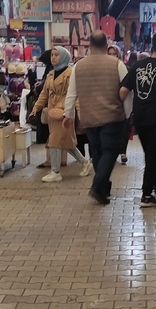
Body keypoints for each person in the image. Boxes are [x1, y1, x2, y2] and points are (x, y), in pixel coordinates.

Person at [63, 30, 128, 205]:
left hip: (89, 117)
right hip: (112, 116)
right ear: (106, 45)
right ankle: (98, 186)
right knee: (110, 151)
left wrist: (68, 115)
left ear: (90, 45)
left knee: (97, 152)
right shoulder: (117, 64)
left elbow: (71, 93)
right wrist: (128, 112)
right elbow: (127, 91)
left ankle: (103, 189)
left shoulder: (78, 66)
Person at [121, 31, 156, 208]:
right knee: (151, 157)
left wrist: (125, 111)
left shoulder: (137, 66)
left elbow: (123, 91)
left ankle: (154, 183)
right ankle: (146, 195)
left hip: (139, 118)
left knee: (149, 153)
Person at [32, 46, 92, 183]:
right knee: (66, 142)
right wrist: (36, 107)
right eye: (52, 55)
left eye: (56, 55)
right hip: (53, 112)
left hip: (65, 112)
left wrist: (76, 113)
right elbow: (44, 93)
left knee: (54, 141)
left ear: (64, 57)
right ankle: (85, 163)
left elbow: (76, 95)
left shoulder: (71, 73)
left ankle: (55, 172)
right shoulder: (51, 74)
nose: (53, 57)